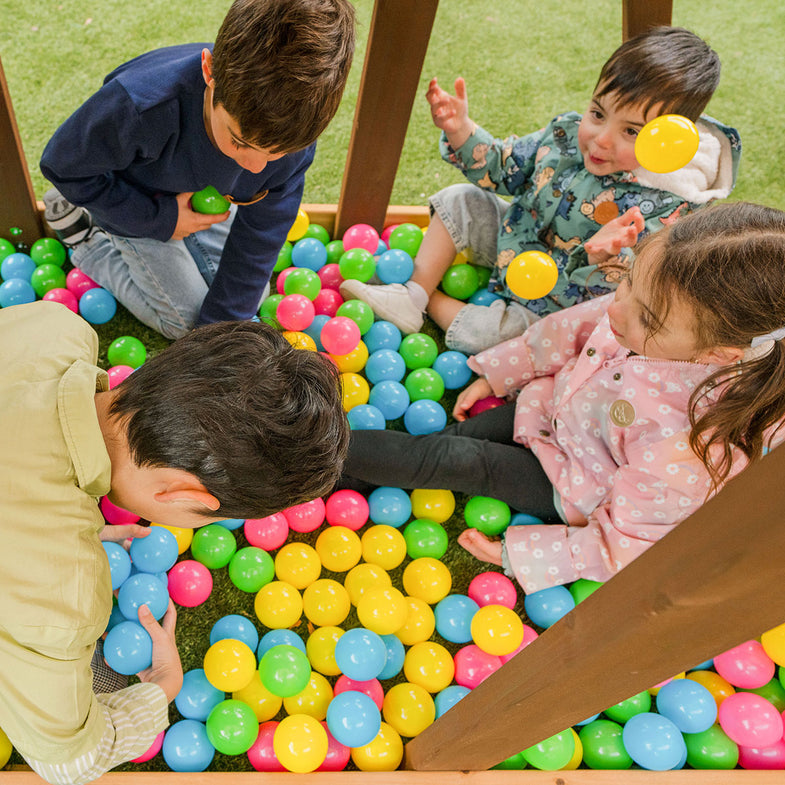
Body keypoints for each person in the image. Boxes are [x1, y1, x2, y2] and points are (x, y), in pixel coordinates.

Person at [340, 202, 785, 594]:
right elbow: (563, 332)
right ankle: (343, 474)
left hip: (574, 482)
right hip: (551, 410)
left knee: (459, 459)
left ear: (717, 355)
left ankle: (315, 457)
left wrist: (526, 556)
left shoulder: (693, 443)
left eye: (645, 317)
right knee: (456, 440)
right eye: (628, 282)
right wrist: (500, 372)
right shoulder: (649, 307)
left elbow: (632, 540)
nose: (615, 309)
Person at [0, 300, 349, 783]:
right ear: (188, 496)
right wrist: (160, 689)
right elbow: (67, 761)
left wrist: (60, 521)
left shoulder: (55, 327)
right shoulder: (66, 600)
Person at [340, 26, 741, 355]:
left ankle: (433, 304)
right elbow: (506, 168)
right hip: (514, 239)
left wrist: (600, 255)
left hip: (554, 300)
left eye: (631, 132)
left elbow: (628, 293)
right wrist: (461, 131)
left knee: (502, 340)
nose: (600, 140)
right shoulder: (566, 134)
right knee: (460, 200)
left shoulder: (665, 208)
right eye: (598, 113)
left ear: (669, 142)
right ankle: (412, 295)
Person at [40, 0, 356, 339]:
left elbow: (263, 230)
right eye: (240, 142)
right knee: (184, 325)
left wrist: (218, 333)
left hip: (204, 200)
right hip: (132, 198)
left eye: (277, 153)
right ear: (209, 72)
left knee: (241, 305)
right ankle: (88, 240)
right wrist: (160, 218)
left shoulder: (294, 126)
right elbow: (62, 165)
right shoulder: (141, 105)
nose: (256, 167)